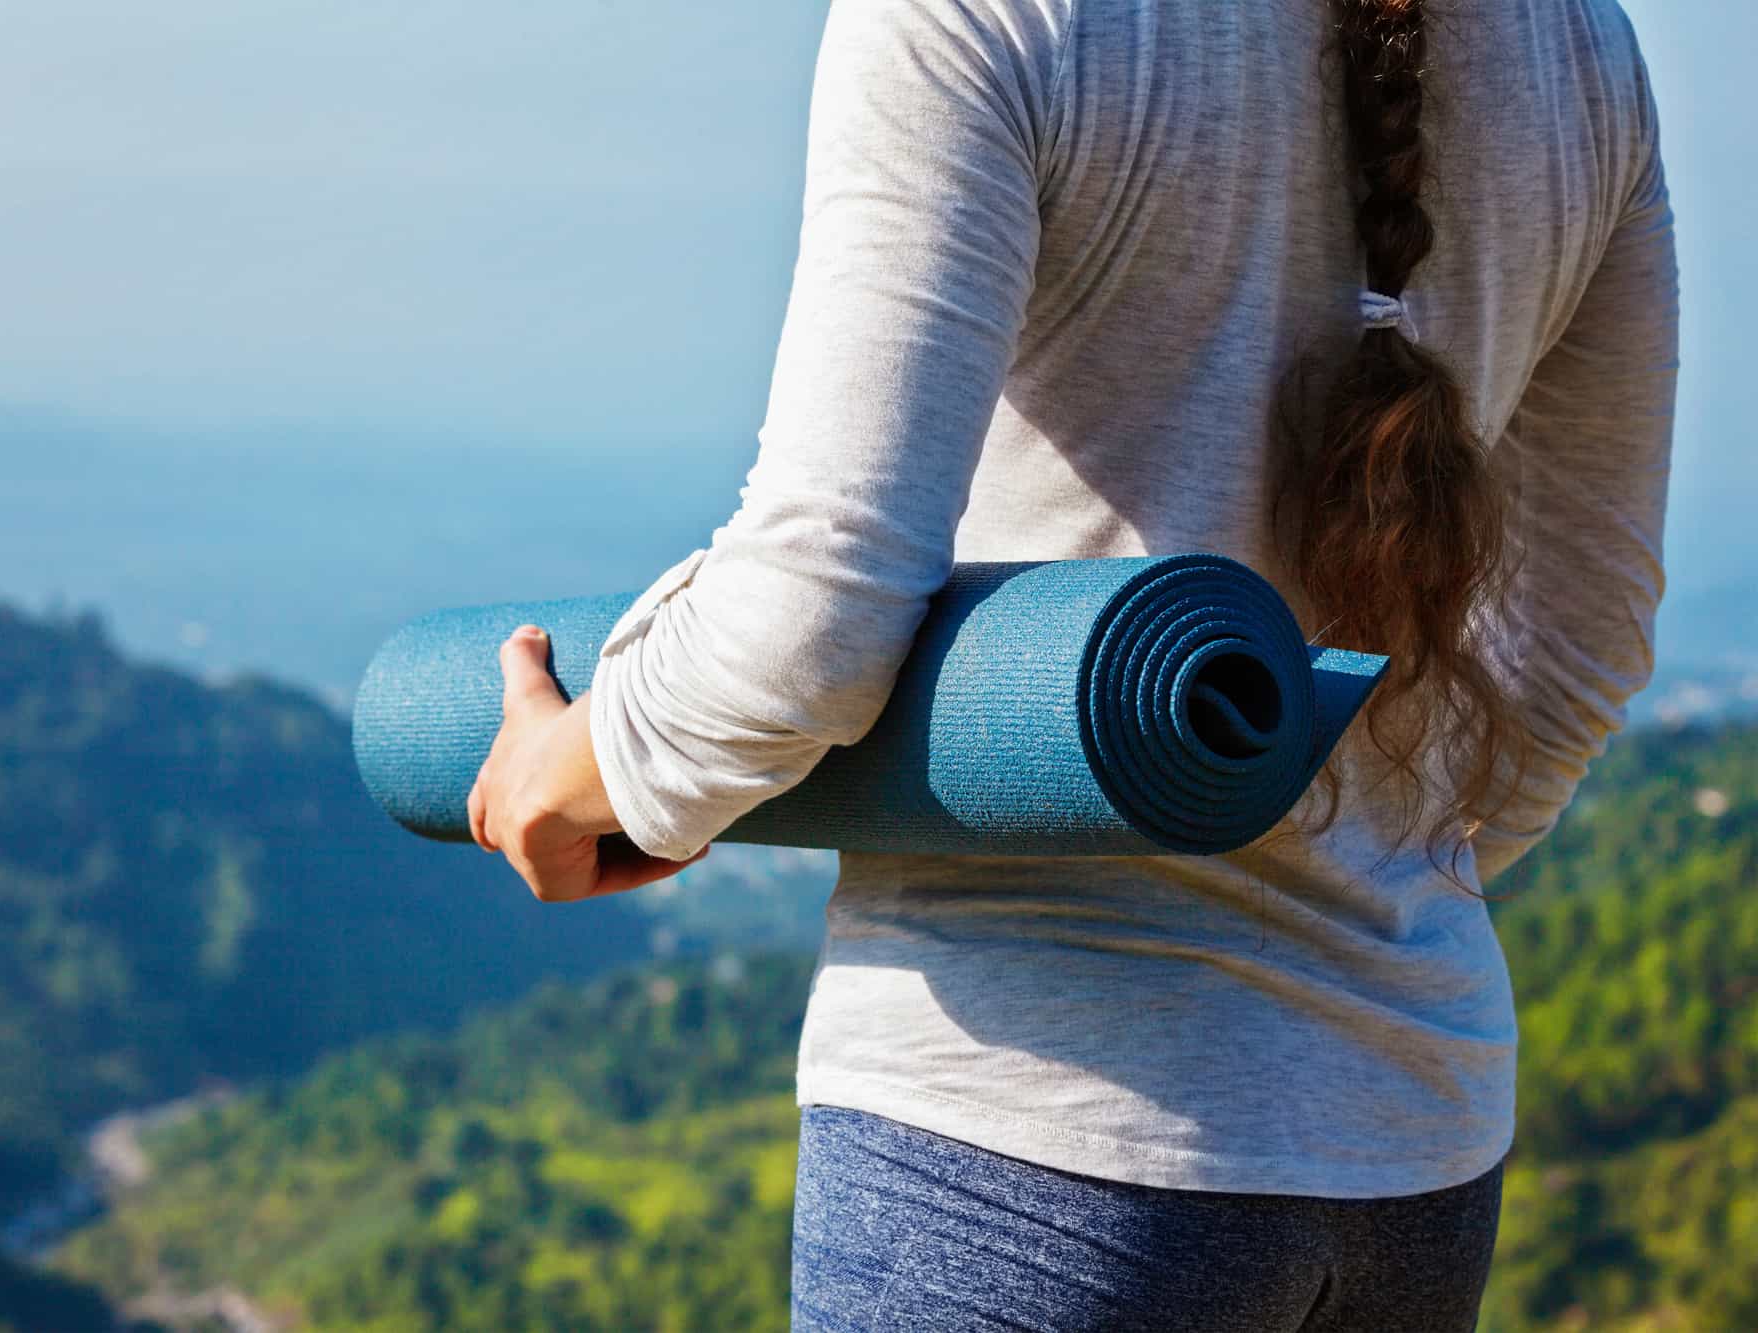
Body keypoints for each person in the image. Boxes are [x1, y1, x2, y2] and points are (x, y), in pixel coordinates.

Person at [466, 0, 1679, 1326]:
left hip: (1029, 1140)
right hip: (1413, 1162)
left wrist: (581, 762)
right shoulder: (1578, 44)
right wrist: (1367, 877)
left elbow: (818, 606)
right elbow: (1580, 645)